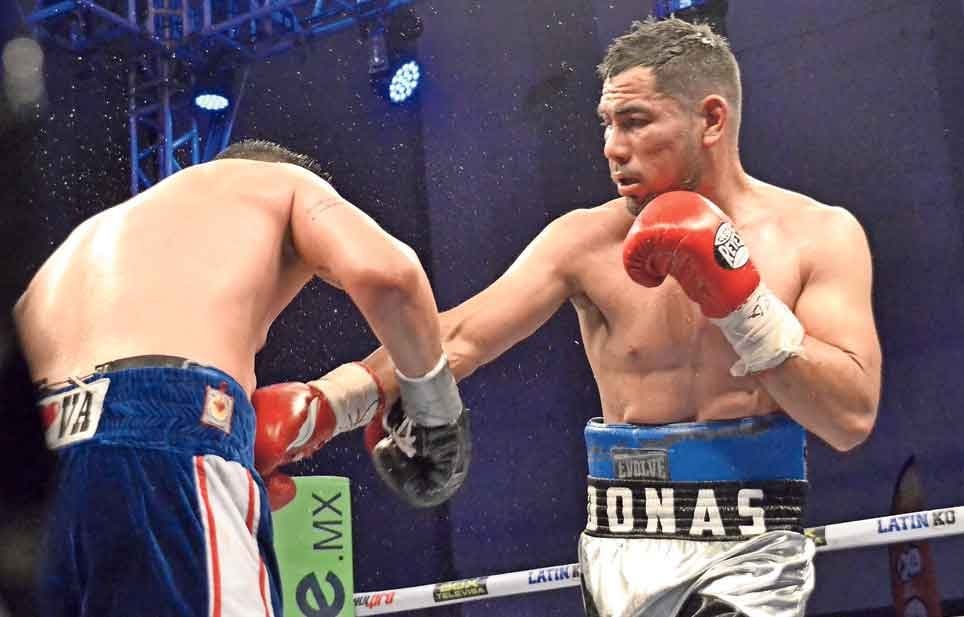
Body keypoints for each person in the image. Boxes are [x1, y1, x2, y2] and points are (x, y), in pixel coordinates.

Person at [363, 18, 882, 617]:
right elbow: (455, 338)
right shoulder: (583, 242)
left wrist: (745, 307)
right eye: (607, 123)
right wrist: (329, 404)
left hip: (751, 553)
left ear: (712, 120)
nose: (612, 146)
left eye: (634, 121)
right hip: (619, 554)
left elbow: (851, 417)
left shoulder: (819, 235)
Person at [13, 139, 470, 617]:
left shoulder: (89, 240)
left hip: (26, 474)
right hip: (161, 425)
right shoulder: (282, 183)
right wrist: (436, 412)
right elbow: (389, 276)